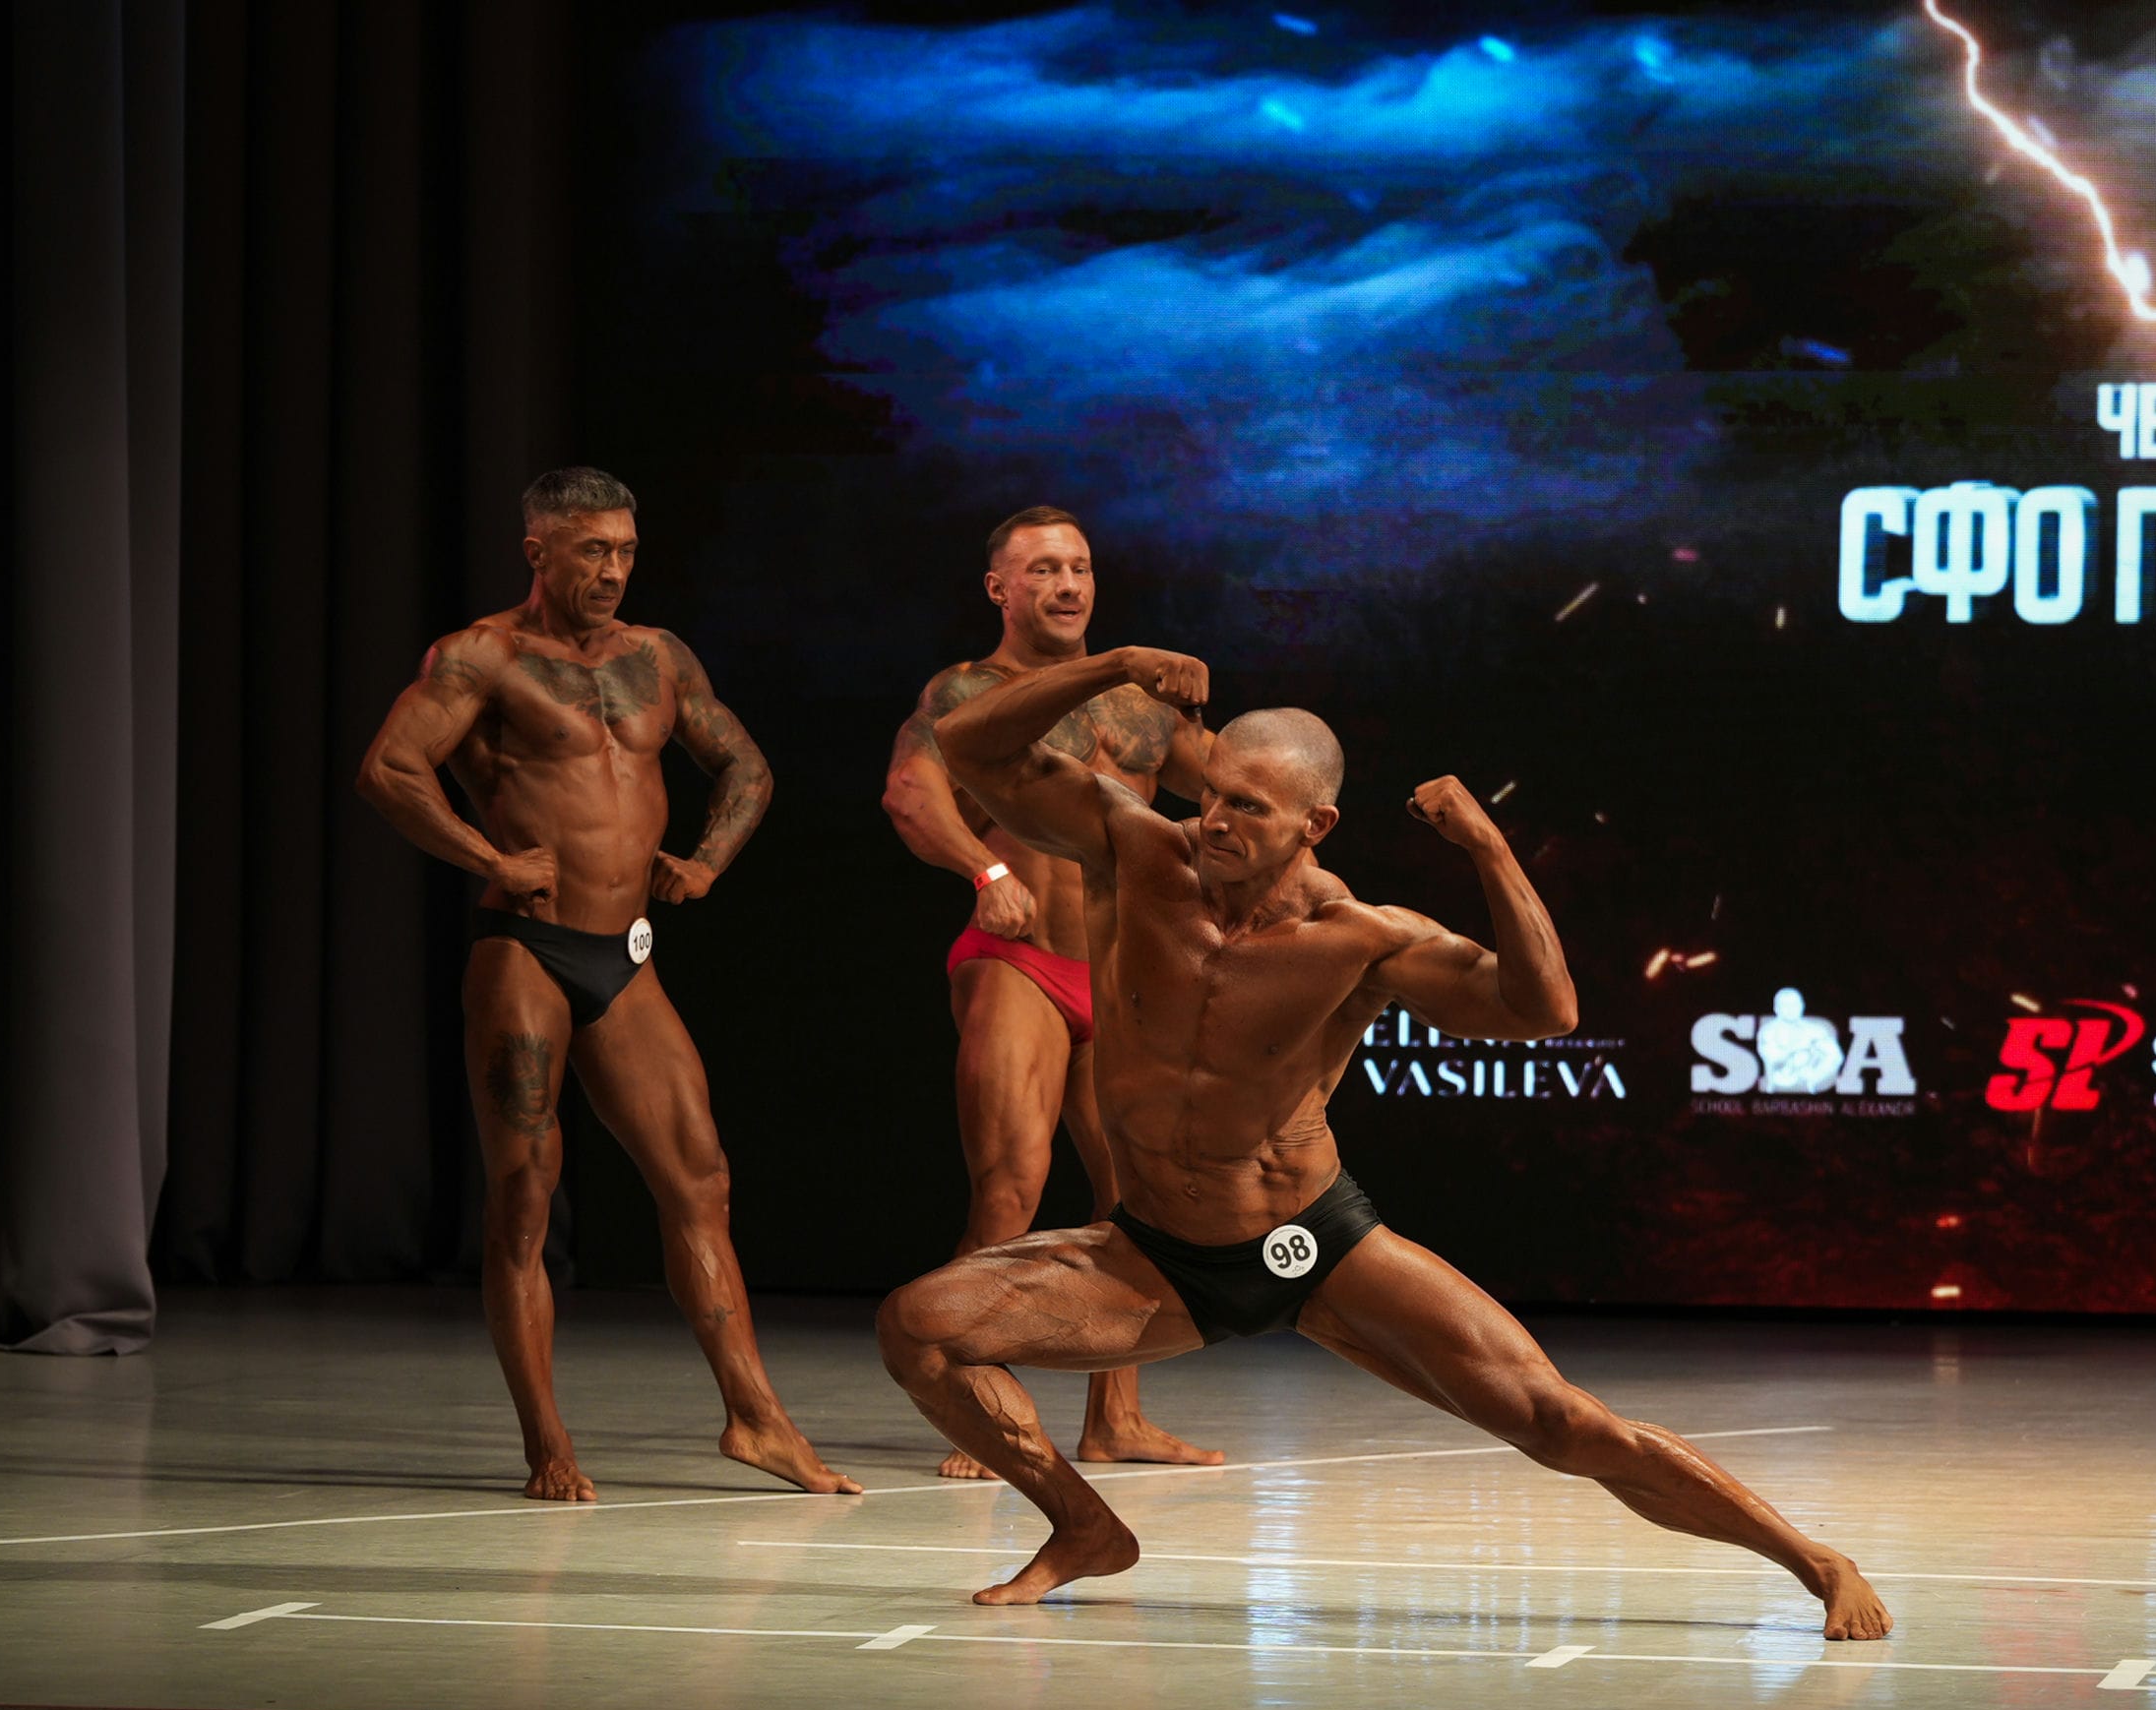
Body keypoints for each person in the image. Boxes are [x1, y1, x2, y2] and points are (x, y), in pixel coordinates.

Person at [874, 645, 1892, 1639]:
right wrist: (1112, 666)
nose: (1215, 820)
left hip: (1313, 1245)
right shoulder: (1132, 850)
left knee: (1560, 1423)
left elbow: (1543, 1009)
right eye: (1213, 794)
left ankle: (1815, 1562)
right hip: (1157, 1255)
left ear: (1313, 824)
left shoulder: (1360, 938)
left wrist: (1487, 849)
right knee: (918, 1328)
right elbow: (967, 744)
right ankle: (1086, 1526)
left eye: (1248, 808)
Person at [357, 466, 856, 1502]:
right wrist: (486, 858)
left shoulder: (658, 657)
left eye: (625, 551)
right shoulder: (482, 656)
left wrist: (707, 861)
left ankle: (755, 1418)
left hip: (625, 956)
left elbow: (747, 766)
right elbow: (390, 769)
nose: (613, 570)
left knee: (701, 1179)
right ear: (537, 552)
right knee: (524, 1194)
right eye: (592, 550)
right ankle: (547, 1442)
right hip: (526, 951)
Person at [881, 506, 1221, 1480]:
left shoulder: (1142, 708)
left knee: (1138, 1204)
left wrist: (1215, 727)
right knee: (1010, 1188)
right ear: (1000, 588)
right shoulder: (970, 692)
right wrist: (983, 872)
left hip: (1115, 975)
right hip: (1018, 959)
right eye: (1042, 569)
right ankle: (976, 1408)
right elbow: (909, 792)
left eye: (1078, 567)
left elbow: (1230, 792)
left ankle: (1116, 1418)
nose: (1066, 584)